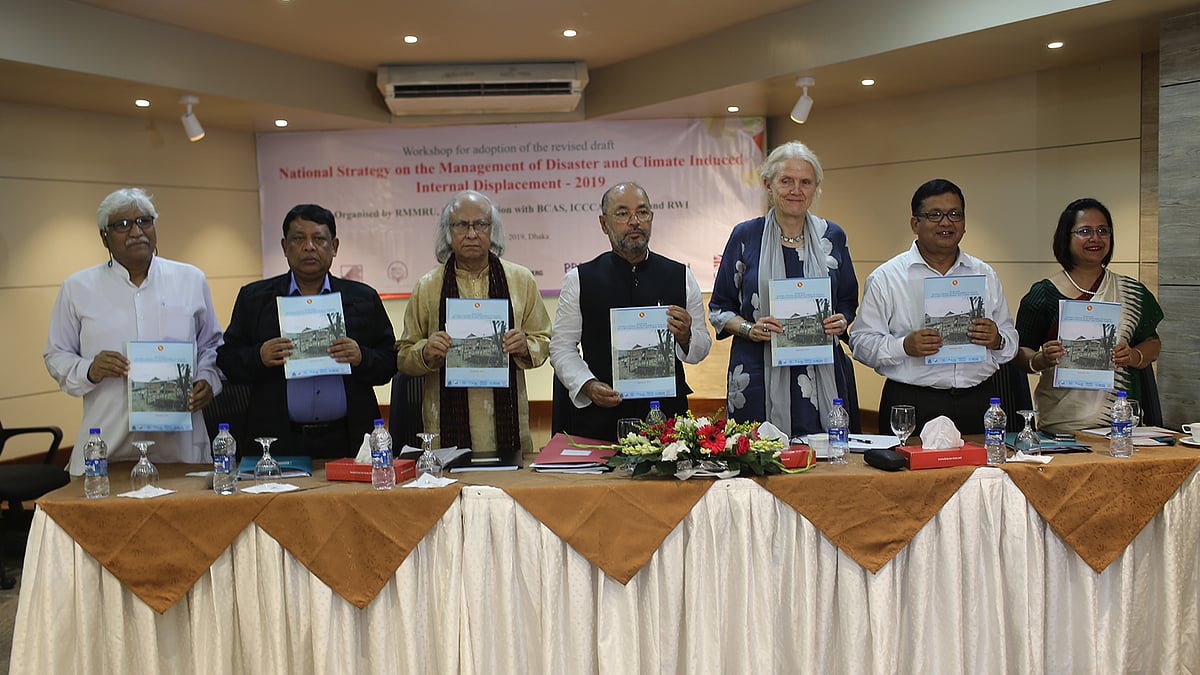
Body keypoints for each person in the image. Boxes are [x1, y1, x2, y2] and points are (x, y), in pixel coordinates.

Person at [44, 188, 223, 475]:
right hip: (107, 447)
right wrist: (89, 369)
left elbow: (211, 345)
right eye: (122, 225)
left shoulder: (190, 279)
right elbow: (56, 355)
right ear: (104, 236)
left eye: (144, 221)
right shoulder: (77, 288)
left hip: (180, 450)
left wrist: (207, 380)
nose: (136, 232)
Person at [217, 204, 397, 458]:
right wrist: (258, 356)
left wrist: (362, 356)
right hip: (276, 441)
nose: (309, 247)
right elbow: (227, 360)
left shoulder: (363, 298)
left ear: (334, 246)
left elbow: (390, 361)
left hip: (349, 437)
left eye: (319, 239)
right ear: (284, 246)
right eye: (299, 239)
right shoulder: (254, 298)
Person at [708, 141, 860, 436]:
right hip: (756, 373)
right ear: (768, 184)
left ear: (816, 188)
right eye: (786, 181)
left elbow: (846, 302)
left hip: (822, 372)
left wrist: (842, 321)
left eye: (805, 182)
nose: (796, 190)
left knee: (824, 456)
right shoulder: (745, 236)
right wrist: (749, 329)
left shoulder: (833, 236)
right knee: (759, 454)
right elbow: (719, 309)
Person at [851, 179, 1018, 434]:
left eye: (955, 214)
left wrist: (997, 340)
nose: (946, 222)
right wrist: (903, 346)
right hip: (912, 402)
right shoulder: (887, 277)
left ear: (964, 223)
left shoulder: (985, 274)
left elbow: (1011, 341)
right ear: (915, 224)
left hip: (978, 401)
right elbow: (861, 343)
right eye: (935, 215)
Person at [549, 182, 712, 441]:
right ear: (604, 224)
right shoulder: (580, 279)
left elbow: (701, 348)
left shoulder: (681, 275)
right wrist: (588, 385)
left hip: (666, 421)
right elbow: (561, 347)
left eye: (642, 212)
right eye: (623, 213)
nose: (635, 221)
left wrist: (686, 337)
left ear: (652, 218)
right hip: (600, 419)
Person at [395, 191, 551, 460]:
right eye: (461, 225)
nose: (471, 234)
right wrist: (425, 352)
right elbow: (402, 355)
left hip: (508, 424)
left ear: (493, 230)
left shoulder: (520, 280)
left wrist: (525, 346)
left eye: (480, 224)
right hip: (445, 426)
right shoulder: (428, 286)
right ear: (448, 232)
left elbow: (545, 339)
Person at [1012, 198, 1163, 432]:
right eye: (1085, 231)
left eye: (1103, 231)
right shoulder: (1044, 294)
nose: (1095, 238)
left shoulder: (1132, 291)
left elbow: (1153, 343)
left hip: (1120, 425)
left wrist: (1133, 355)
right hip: (1062, 426)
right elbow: (1018, 352)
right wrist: (1041, 359)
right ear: (1066, 237)